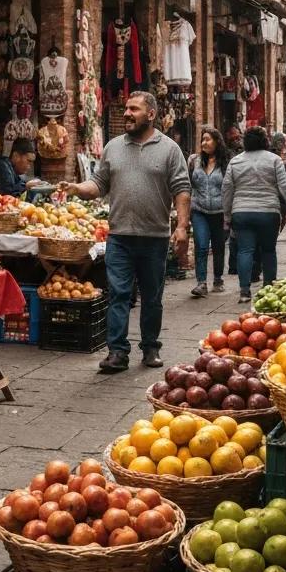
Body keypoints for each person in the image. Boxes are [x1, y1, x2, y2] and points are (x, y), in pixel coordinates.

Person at [59, 91, 189, 373]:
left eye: (134, 109)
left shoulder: (169, 149)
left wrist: (181, 227)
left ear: (151, 114)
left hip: (155, 237)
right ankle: (117, 352)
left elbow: (181, 189)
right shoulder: (113, 147)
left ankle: (151, 347)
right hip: (119, 237)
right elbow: (98, 184)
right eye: (126, 108)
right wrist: (76, 189)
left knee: (152, 296)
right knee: (118, 294)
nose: (127, 113)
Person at [222, 127, 286, 304]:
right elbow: (284, 185)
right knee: (268, 250)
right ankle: (268, 288)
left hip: (242, 212)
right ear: (265, 141)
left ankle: (245, 292)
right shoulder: (274, 160)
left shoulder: (235, 161)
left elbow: (227, 189)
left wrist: (227, 214)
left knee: (245, 250)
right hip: (268, 212)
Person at [188, 127, 231, 298]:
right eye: (202, 140)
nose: (204, 143)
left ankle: (218, 278)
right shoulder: (194, 161)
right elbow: (187, 184)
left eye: (208, 139)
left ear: (217, 141)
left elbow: (230, 187)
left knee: (219, 246)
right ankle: (201, 283)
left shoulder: (227, 162)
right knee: (202, 245)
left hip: (220, 212)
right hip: (199, 210)